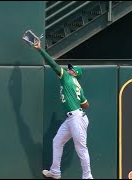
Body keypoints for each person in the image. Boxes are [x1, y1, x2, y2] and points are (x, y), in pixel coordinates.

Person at [33, 41, 93, 179]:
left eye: (72, 69)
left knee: (81, 148)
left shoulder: (67, 77)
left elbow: (53, 65)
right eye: (70, 68)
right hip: (74, 117)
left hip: (77, 118)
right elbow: (86, 104)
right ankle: (55, 172)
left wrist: (39, 49)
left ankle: (88, 176)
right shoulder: (78, 87)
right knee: (57, 141)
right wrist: (76, 100)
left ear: (75, 74)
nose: (69, 69)